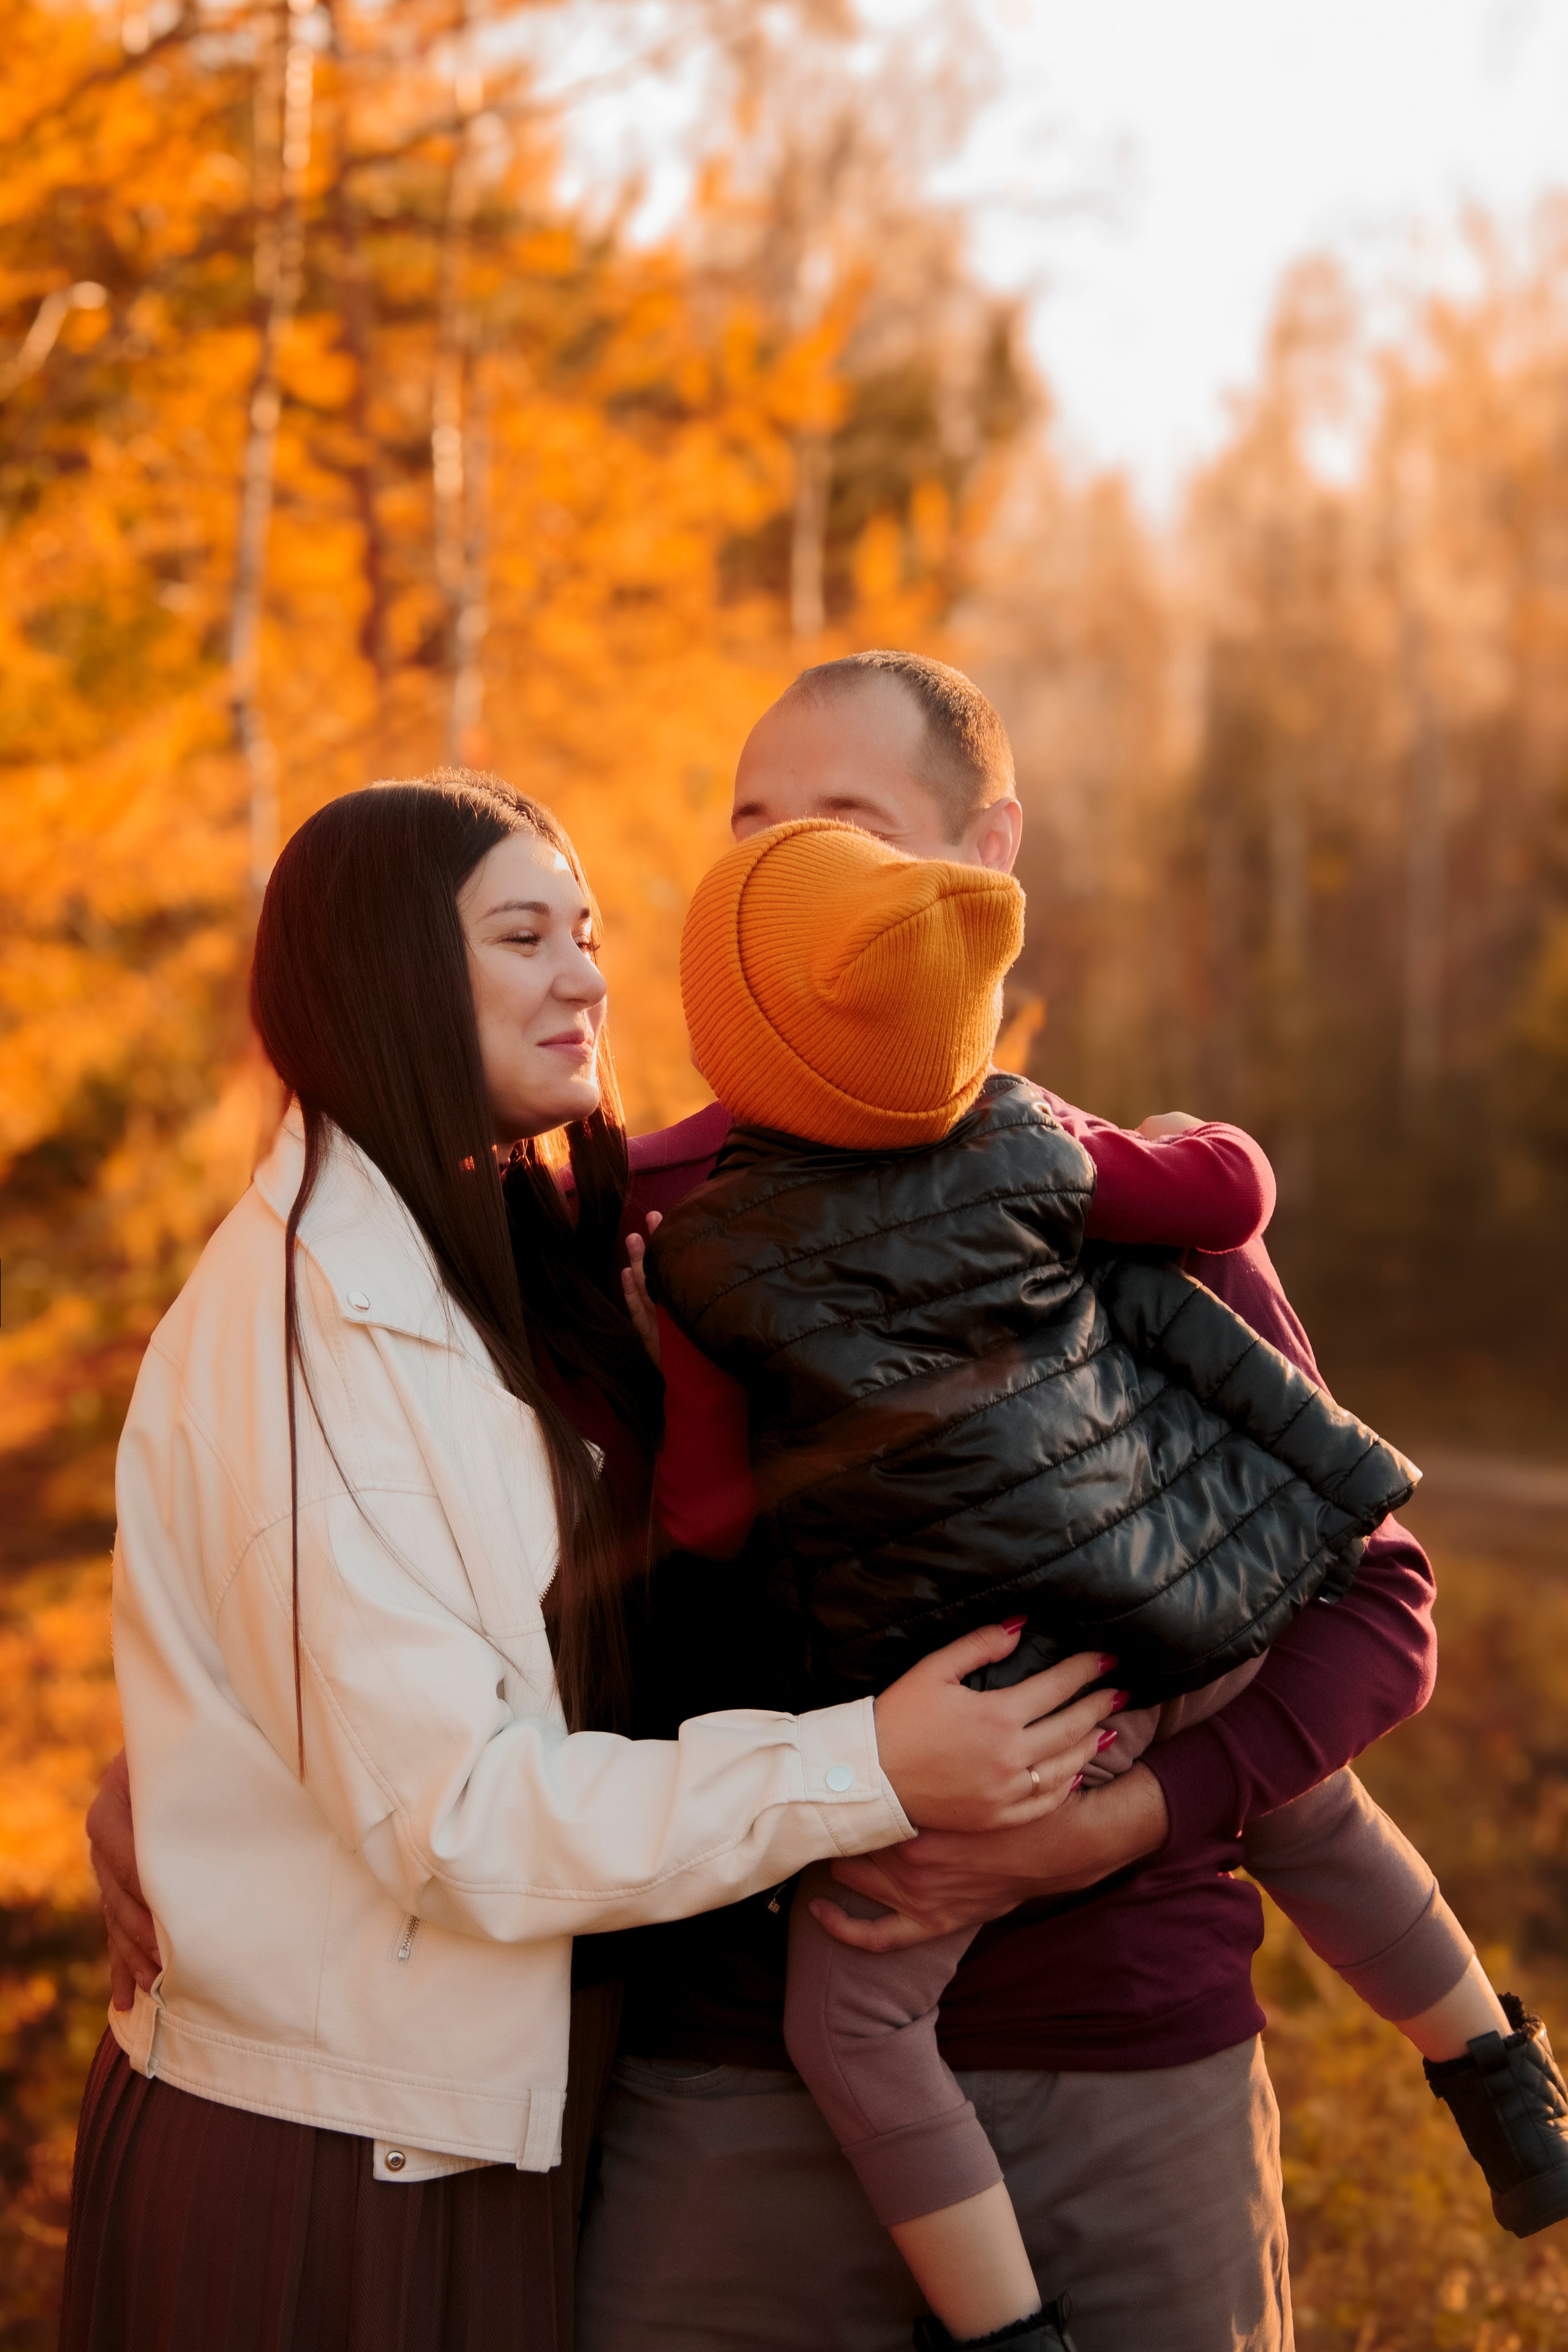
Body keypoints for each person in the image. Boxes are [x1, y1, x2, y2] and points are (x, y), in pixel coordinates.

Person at [61, 774, 1113, 2352]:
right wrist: (873, 1766)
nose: (584, 975)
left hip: (486, 2119)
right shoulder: (308, 1335)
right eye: (521, 934)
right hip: (337, 2167)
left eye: (588, 930)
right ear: (385, 976)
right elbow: (467, 1824)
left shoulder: (512, 1252)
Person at [623, 810, 1568, 2351]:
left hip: (992, 1703)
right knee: (1310, 1809)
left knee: (856, 2019)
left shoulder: (702, 1258)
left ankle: (1005, 2328)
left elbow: (712, 1517)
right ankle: (1499, 2086)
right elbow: (1230, 1187)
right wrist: (1181, 1143)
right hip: (1172, 1620)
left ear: (731, 1037)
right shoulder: (1031, 1151)